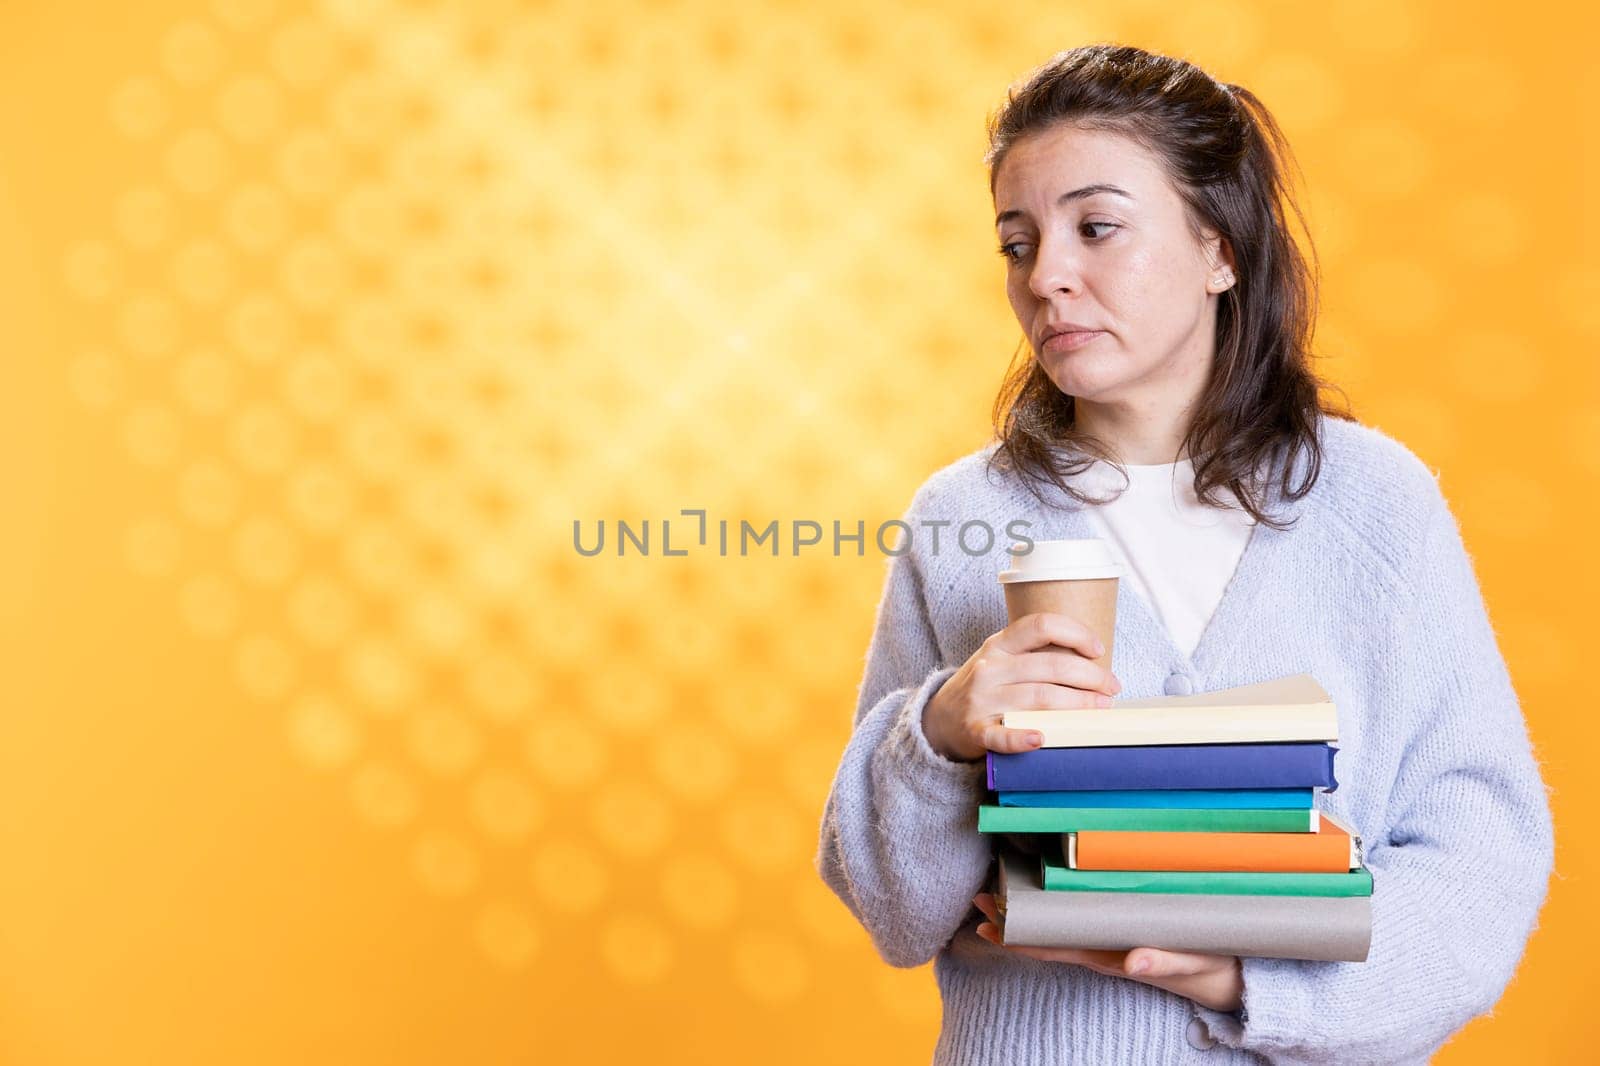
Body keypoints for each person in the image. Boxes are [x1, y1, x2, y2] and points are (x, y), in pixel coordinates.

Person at [815, 43, 1552, 1065]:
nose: (1047, 276)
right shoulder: (961, 516)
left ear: (1222, 251)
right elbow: (892, 912)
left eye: (1097, 227)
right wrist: (937, 732)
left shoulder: (1379, 507)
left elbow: (1481, 867)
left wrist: (1238, 975)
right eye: (1016, 242)